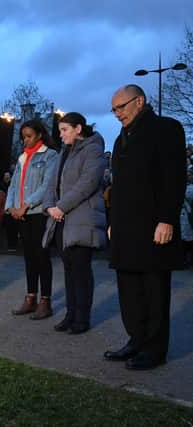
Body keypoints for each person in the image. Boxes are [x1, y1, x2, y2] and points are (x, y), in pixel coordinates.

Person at [105, 84, 186, 370]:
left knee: (154, 289)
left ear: (139, 101)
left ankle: (154, 349)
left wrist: (167, 219)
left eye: (121, 107)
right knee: (129, 288)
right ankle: (136, 340)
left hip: (153, 225)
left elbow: (174, 178)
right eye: (113, 109)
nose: (117, 114)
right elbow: (118, 186)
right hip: (125, 227)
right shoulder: (120, 138)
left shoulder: (166, 128)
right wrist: (113, 221)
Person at [42, 113, 107, 334]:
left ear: (78, 128)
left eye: (65, 130)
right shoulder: (64, 152)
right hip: (62, 220)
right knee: (69, 270)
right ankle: (71, 315)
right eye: (60, 131)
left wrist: (61, 206)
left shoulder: (93, 149)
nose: (61, 135)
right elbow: (53, 182)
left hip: (82, 219)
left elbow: (87, 183)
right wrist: (50, 206)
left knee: (81, 271)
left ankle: (82, 318)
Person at [5, 120, 58, 319]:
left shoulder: (50, 155)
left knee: (41, 257)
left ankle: (46, 301)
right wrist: (10, 207)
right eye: (23, 137)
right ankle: (30, 298)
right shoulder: (21, 157)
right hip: (20, 214)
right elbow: (13, 185)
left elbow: (47, 186)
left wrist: (26, 205)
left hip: (37, 213)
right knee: (28, 257)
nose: (25, 140)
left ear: (39, 135)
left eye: (29, 136)